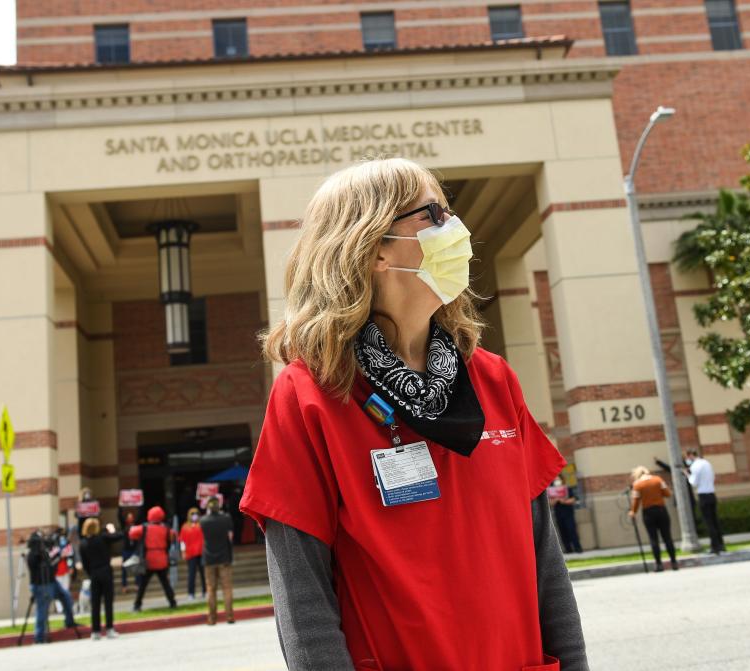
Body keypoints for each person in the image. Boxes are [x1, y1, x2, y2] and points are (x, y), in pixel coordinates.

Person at [239, 158, 588, 670]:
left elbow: (546, 565)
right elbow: (303, 601)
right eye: (434, 216)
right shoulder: (309, 396)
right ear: (374, 246)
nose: (457, 232)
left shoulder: (493, 379)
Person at [78, 518, 123, 640]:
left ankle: (95, 631)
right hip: (105, 571)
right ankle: (109, 628)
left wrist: (91, 572)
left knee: (95, 604)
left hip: (94, 573)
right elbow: (119, 536)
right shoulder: (102, 538)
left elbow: (84, 563)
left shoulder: (83, 544)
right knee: (108, 602)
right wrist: (112, 530)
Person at [629, 466, 679, 572]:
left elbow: (636, 501)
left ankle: (659, 564)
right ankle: (674, 562)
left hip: (648, 512)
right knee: (667, 537)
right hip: (661, 510)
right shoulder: (658, 480)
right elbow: (668, 494)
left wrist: (633, 512)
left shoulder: (637, 485)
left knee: (653, 538)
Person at [128, 506, 178, 611]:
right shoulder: (166, 528)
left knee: (143, 585)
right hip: (162, 559)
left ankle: (137, 605)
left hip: (148, 560)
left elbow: (131, 533)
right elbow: (173, 536)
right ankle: (172, 602)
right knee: (165, 583)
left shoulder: (144, 528)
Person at [200, 497, 234, 625]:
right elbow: (230, 537)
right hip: (224, 557)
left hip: (209, 558)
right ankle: (229, 616)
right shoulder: (226, 518)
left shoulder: (203, 521)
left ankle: (212, 618)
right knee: (227, 588)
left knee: (211, 589)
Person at [685, 449, 726, 554]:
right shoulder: (706, 463)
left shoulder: (695, 466)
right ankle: (721, 544)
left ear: (690, 455)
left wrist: (687, 474)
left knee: (709, 523)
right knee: (715, 521)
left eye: (687, 457)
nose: (687, 460)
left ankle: (714, 546)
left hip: (703, 495)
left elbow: (694, 482)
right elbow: (713, 477)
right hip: (712, 493)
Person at [26, 530, 56, 644]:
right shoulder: (33, 555)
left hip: (44, 584)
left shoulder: (42, 554)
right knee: (41, 610)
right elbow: (38, 568)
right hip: (39, 585)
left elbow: (49, 566)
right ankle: (39, 636)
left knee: (42, 609)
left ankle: (41, 634)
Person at [549, 476, 583, 553]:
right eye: (555, 480)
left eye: (558, 479)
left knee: (572, 530)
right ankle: (568, 549)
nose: (557, 481)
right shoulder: (552, 491)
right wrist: (555, 500)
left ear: (562, 480)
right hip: (558, 514)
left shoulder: (567, 489)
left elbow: (574, 499)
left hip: (568, 513)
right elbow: (549, 503)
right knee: (562, 532)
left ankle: (578, 548)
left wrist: (564, 501)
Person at [179, 506, 206, 601]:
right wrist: (183, 551)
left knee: (204, 574)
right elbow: (182, 541)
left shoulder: (202, 525)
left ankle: (205, 591)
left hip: (202, 552)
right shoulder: (185, 527)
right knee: (191, 574)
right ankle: (191, 593)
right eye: (192, 514)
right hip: (190, 554)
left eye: (196, 514)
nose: (194, 516)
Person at [119, 511, 138, 594]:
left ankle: (137, 584)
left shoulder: (136, 527)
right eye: (128, 517)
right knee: (124, 569)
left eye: (131, 517)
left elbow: (140, 514)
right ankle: (124, 586)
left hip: (134, 550)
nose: (130, 519)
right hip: (126, 550)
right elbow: (119, 516)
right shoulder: (125, 527)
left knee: (136, 568)